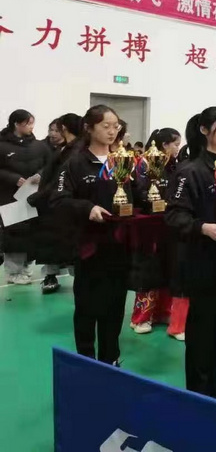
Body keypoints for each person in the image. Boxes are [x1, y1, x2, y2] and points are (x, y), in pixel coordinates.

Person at [165, 107, 216, 403]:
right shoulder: (189, 171)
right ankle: (198, 399)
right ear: (204, 130)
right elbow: (174, 216)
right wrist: (202, 227)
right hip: (203, 264)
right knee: (202, 336)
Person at [51, 105, 136, 365]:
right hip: (89, 249)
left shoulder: (124, 161)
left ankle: (111, 359)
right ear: (89, 128)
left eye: (115, 126)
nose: (112, 131)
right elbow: (58, 200)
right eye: (105, 126)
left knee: (115, 307)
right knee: (87, 308)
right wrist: (87, 208)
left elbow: (138, 197)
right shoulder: (75, 163)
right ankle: (86, 360)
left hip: (119, 247)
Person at [129, 128, 182, 335]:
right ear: (164, 145)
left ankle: (162, 312)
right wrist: (153, 201)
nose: (178, 148)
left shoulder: (175, 165)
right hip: (149, 225)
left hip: (169, 224)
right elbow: (139, 191)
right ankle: (141, 317)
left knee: (168, 267)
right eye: (175, 144)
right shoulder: (144, 163)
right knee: (149, 271)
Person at [28, 113, 82, 294]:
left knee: (68, 244)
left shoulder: (76, 150)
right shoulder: (62, 148)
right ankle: (50, 275)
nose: (53, 133)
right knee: (51, 243)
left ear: (64, 128)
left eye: (56, 129)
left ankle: (79, 278)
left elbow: (60, 179)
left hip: (61, 202)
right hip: (51, 203)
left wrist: (40, 195)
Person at [0, 109, 51, 285]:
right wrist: (13, 178)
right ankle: (14, 271)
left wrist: (40, 175)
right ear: (16, 124)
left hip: (33, 196)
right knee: (14, 233)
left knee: (31, 233)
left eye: (32, 123)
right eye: (28, 123)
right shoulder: (2, 145)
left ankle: (26, 268)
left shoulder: (39, 146)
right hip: (10, 197)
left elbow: (51, 165)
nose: (31, 127)